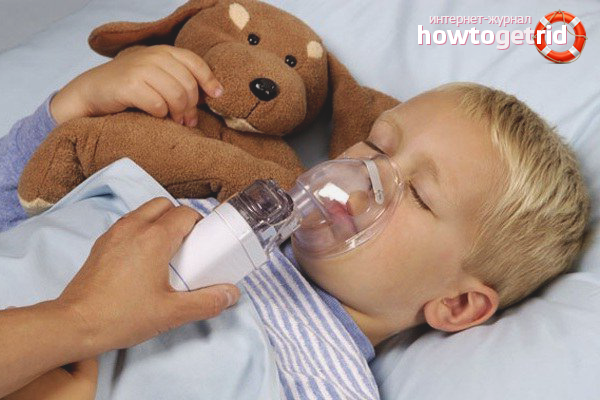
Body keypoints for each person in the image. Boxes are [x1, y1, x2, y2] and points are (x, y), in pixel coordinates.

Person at [0, 45, 590, 399]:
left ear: (457, 306)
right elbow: (19, 211)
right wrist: (70, 109)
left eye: (418, 195)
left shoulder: (323, 384)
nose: (363, 176)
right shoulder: (182, 207)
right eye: (377, 145)